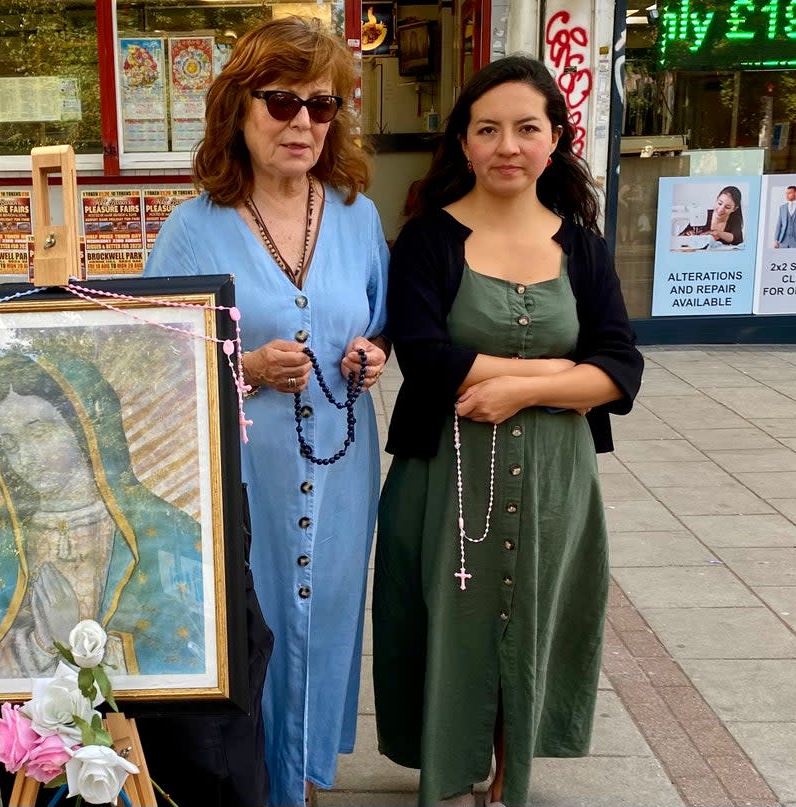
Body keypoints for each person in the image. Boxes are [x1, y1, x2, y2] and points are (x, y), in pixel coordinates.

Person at [372, 55, 643, 807]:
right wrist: (566, 380)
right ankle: (447, 759)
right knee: (448, 618)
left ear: (555, 138)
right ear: (463, 142)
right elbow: (428, 355)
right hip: (446, 471)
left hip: (557, 473)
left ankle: (506, 768)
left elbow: (620, 368)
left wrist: (519, 389)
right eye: (487, 129)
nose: (507, 146)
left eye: (527, 128)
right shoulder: (428, 240)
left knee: (533, 613)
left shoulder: (582, 247)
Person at [144, 16, 390, 807]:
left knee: (326, 623)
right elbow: (157, 361)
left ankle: (306, 777)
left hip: (341, 461)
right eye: (282, 102)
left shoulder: (356, 214)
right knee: (258, 625)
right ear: (238, 109)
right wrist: (242, 367)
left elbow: (380, 317)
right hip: (246, 472)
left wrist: (374, 352)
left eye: (323, 106)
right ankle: (260, 785)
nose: (303, 123)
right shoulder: (191, 229)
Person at [0, 350, 206, 681]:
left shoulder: (164, 531)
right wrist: (41, 644)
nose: (25, 457)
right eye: (9, 443)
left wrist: (80, 647)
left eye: (39, 431)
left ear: (85, 427)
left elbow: (195, 642)